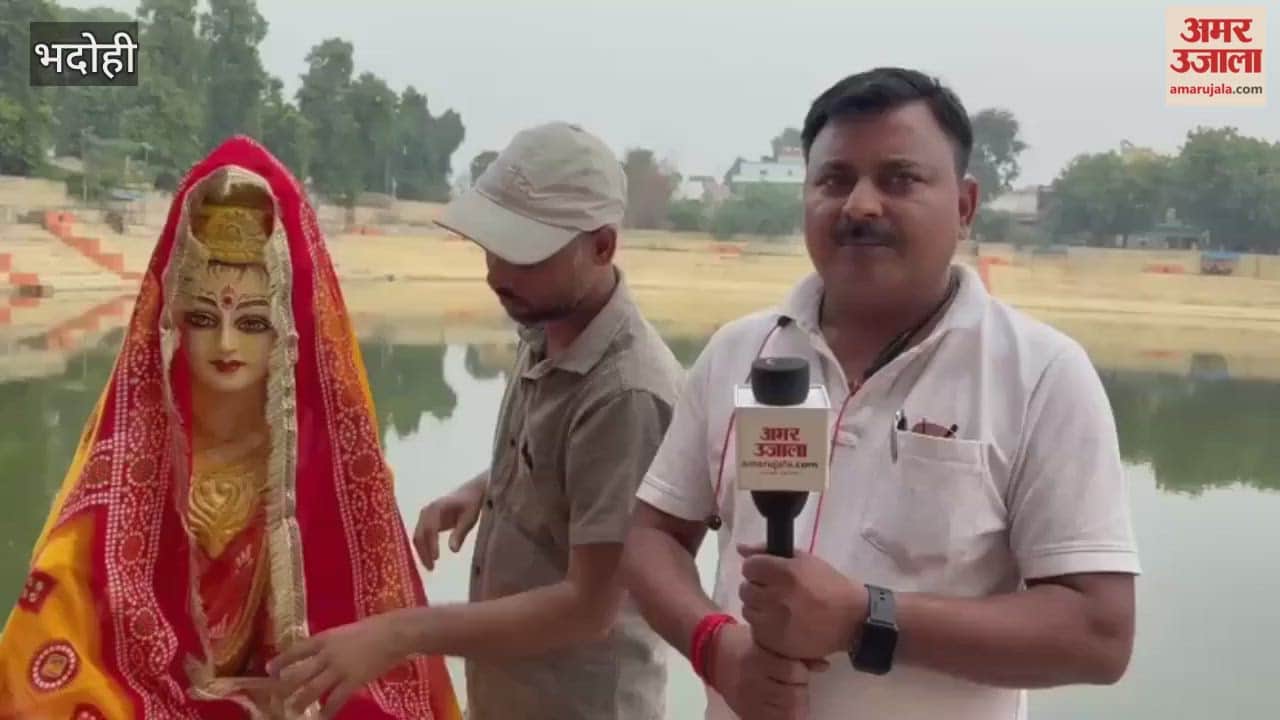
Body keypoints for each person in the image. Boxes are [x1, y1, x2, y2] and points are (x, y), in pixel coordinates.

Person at [623, 67, 1141, 720]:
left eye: (899, 179)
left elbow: (1098, 634)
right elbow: (653, 537)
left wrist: (866, 620)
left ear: (965, 204)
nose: (860, 205)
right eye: (835, 180)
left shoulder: (1041, 375)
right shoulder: (739, 352)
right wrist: (717, 648)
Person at [0, 136, 461, 720]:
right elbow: (50, 637)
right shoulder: (128, 468)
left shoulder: (329, 466)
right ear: (169, 323)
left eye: (251, 321)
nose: (225, 344)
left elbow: (381, 662)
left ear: (289, 330)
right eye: (200, 318)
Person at [268, 122, 684, 720]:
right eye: (491, 246)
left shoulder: (627, 394)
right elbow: (566, 464)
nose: (496, 273)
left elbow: (588, 606)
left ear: (601, 247)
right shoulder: (546, 324)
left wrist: (400, 634)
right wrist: (486, 487)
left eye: (525, 254)